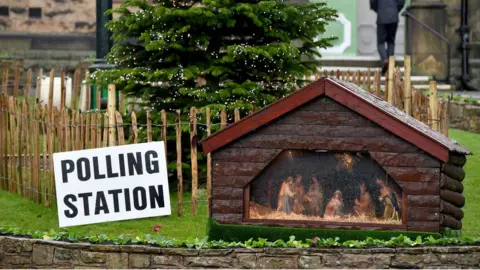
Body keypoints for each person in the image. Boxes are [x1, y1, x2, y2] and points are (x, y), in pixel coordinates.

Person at [370, 0, 406, 74]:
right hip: (393, 17)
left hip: (381, 16)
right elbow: (401, 2)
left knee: (380, 42)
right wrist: (395, 10)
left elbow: (373, 2)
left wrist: (379, 9)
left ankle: (385, 60)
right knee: (391, 41)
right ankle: (390, 62)